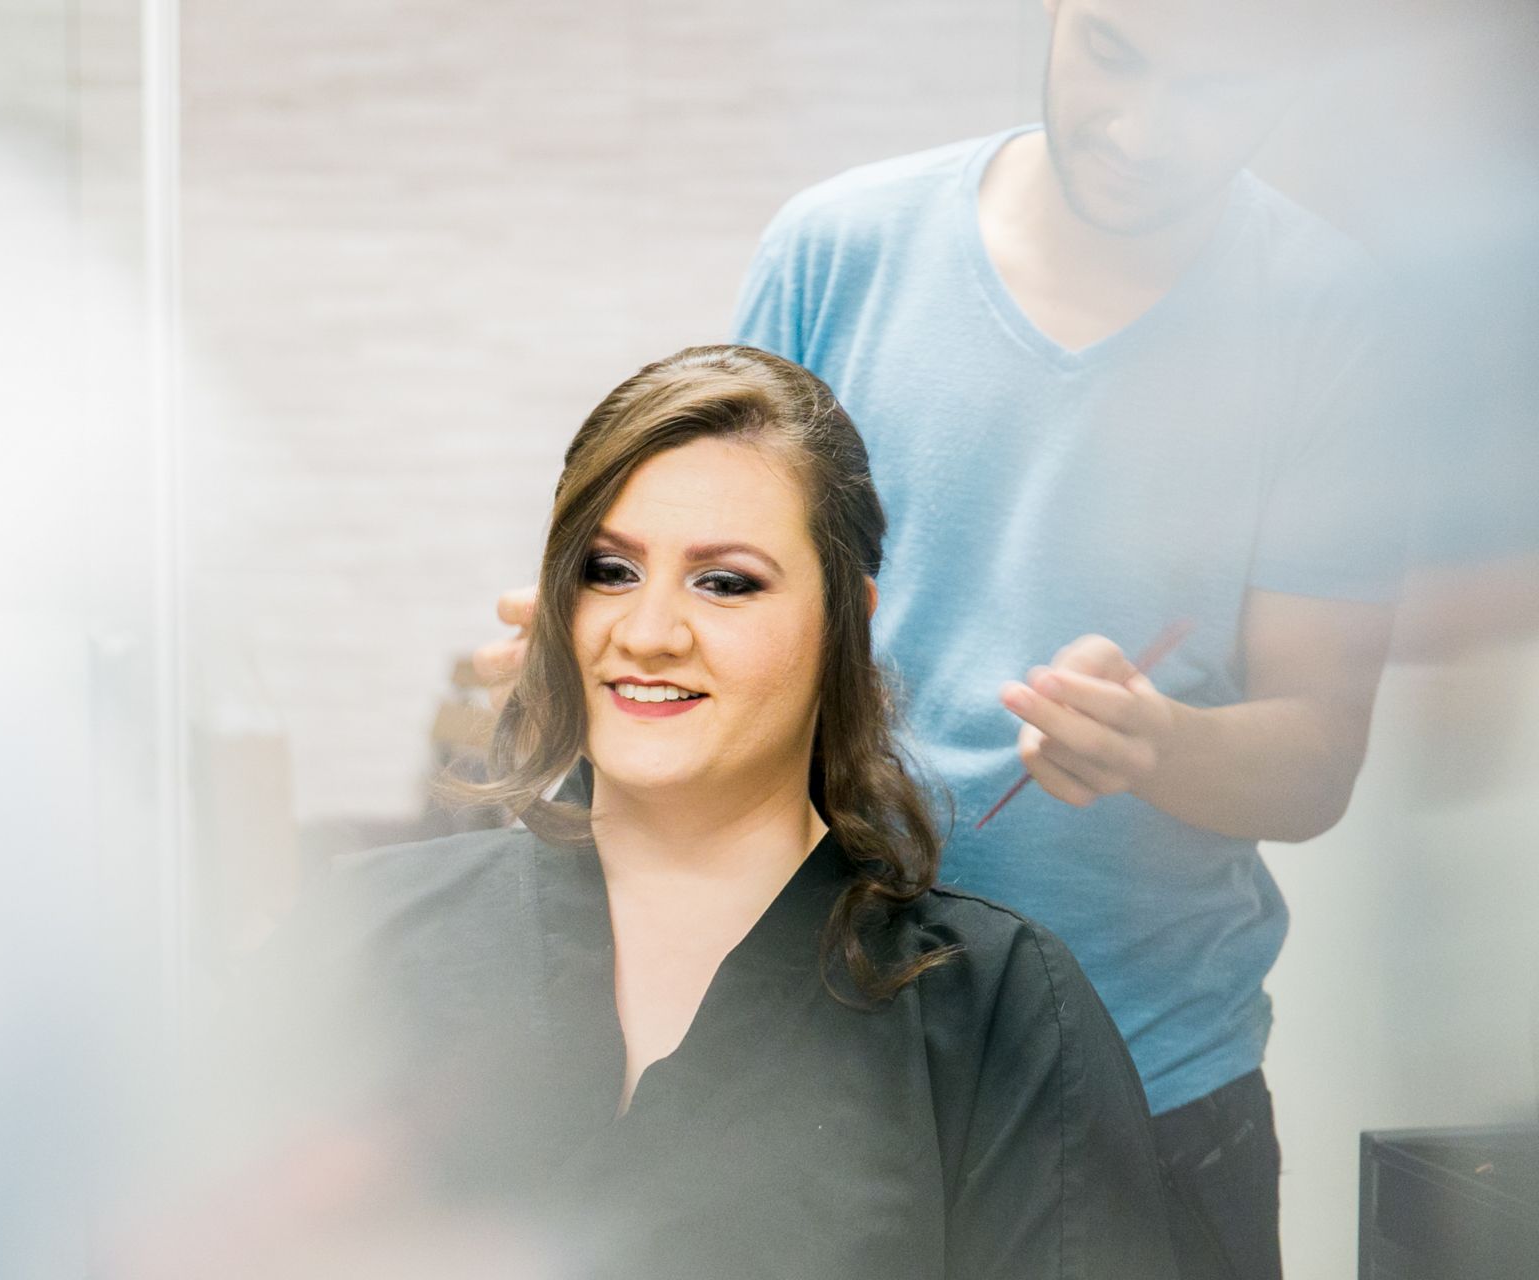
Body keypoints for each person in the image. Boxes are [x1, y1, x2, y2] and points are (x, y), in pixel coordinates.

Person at [475, 4, 1410, 1278]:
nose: (1138, 132)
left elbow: (1315, 763)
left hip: (1152, 1078)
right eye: (1114, 60)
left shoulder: (1325, 317)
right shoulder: (839, 248)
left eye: (1213, 90)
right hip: (832, 1037)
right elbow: (724, 582)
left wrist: (1160, 745)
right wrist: (623, 654)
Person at [257, 345, 1176, 1280]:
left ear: (845, 622)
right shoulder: (357, 939)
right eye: (610, 571)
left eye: (725, 581)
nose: (648, 632)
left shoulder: (999, 1012)